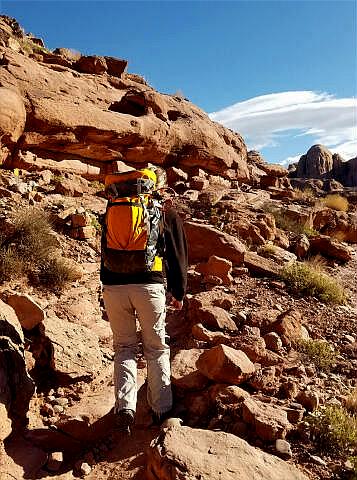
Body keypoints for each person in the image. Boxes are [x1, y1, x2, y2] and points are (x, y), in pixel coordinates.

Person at [100, 165, 188, 434]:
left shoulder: (113, 207)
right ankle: (162, 410)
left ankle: (125, 407)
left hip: (114, 287)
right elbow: (177, 255)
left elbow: (104, 249)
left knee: (124, 348)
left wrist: (106, 285)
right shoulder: (164, 212)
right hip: (149, 286)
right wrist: (179, 292)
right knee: (156, 348)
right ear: (158, 187)